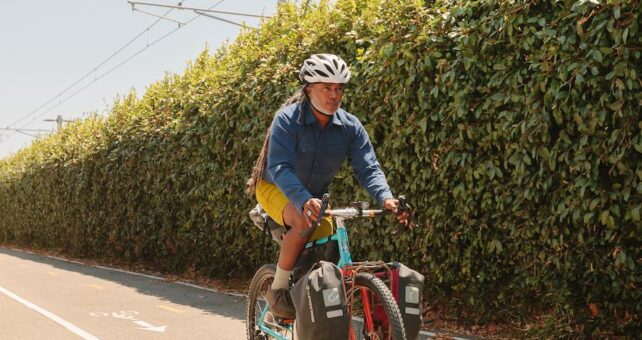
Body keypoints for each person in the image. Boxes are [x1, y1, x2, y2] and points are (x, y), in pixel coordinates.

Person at [246, 53, 408, 319]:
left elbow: (368, 168)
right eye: (327, 88)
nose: (335, 95)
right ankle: (277, 288)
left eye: (339, 88)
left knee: (328, 240)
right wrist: (302, 199)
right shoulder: (287, 120)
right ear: (309, 89)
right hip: (275, 187)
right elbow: (280, 167)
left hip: (314, 196)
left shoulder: (350, 127)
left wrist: (386, 198)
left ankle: (307, 294)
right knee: (302, 220)